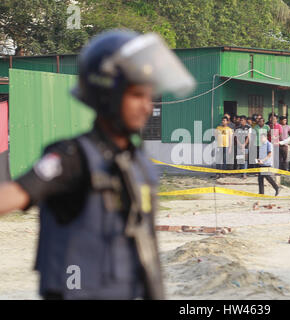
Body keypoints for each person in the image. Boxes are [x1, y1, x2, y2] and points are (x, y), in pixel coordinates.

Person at [0, 30, 197, 300]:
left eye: (149, 96)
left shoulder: (137, 163)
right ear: (107, 95)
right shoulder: (72, 157)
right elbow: (13, 194)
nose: (147, 107)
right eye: (137, 95)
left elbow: (146, 247)